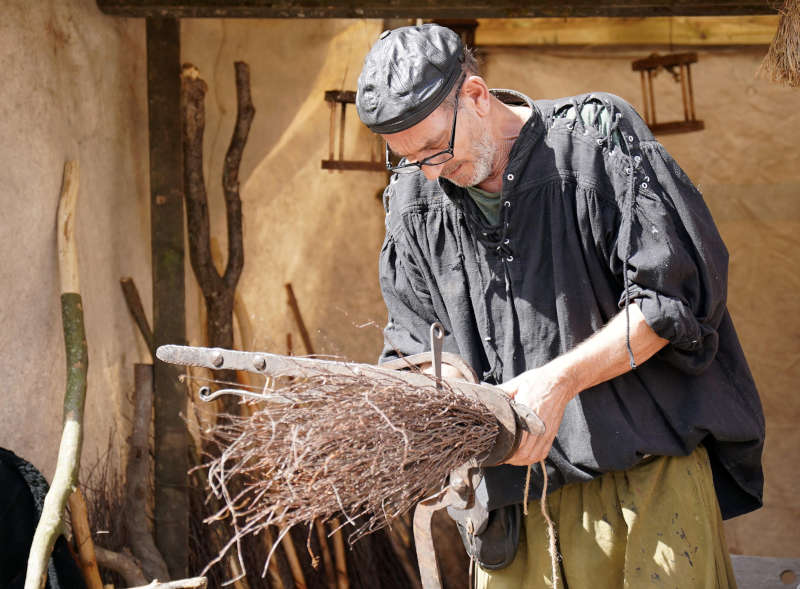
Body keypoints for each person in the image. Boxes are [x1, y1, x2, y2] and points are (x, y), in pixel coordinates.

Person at [355, 24, 764, 589]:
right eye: (408, 159)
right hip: (513, 506)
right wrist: (449, 383)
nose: (427, 170)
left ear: (475, 96)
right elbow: (411, 341)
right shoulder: (412, 200)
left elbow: (672, 299)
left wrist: (560, 380)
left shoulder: (595, 141)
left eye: (434, 150)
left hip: (645, 486)